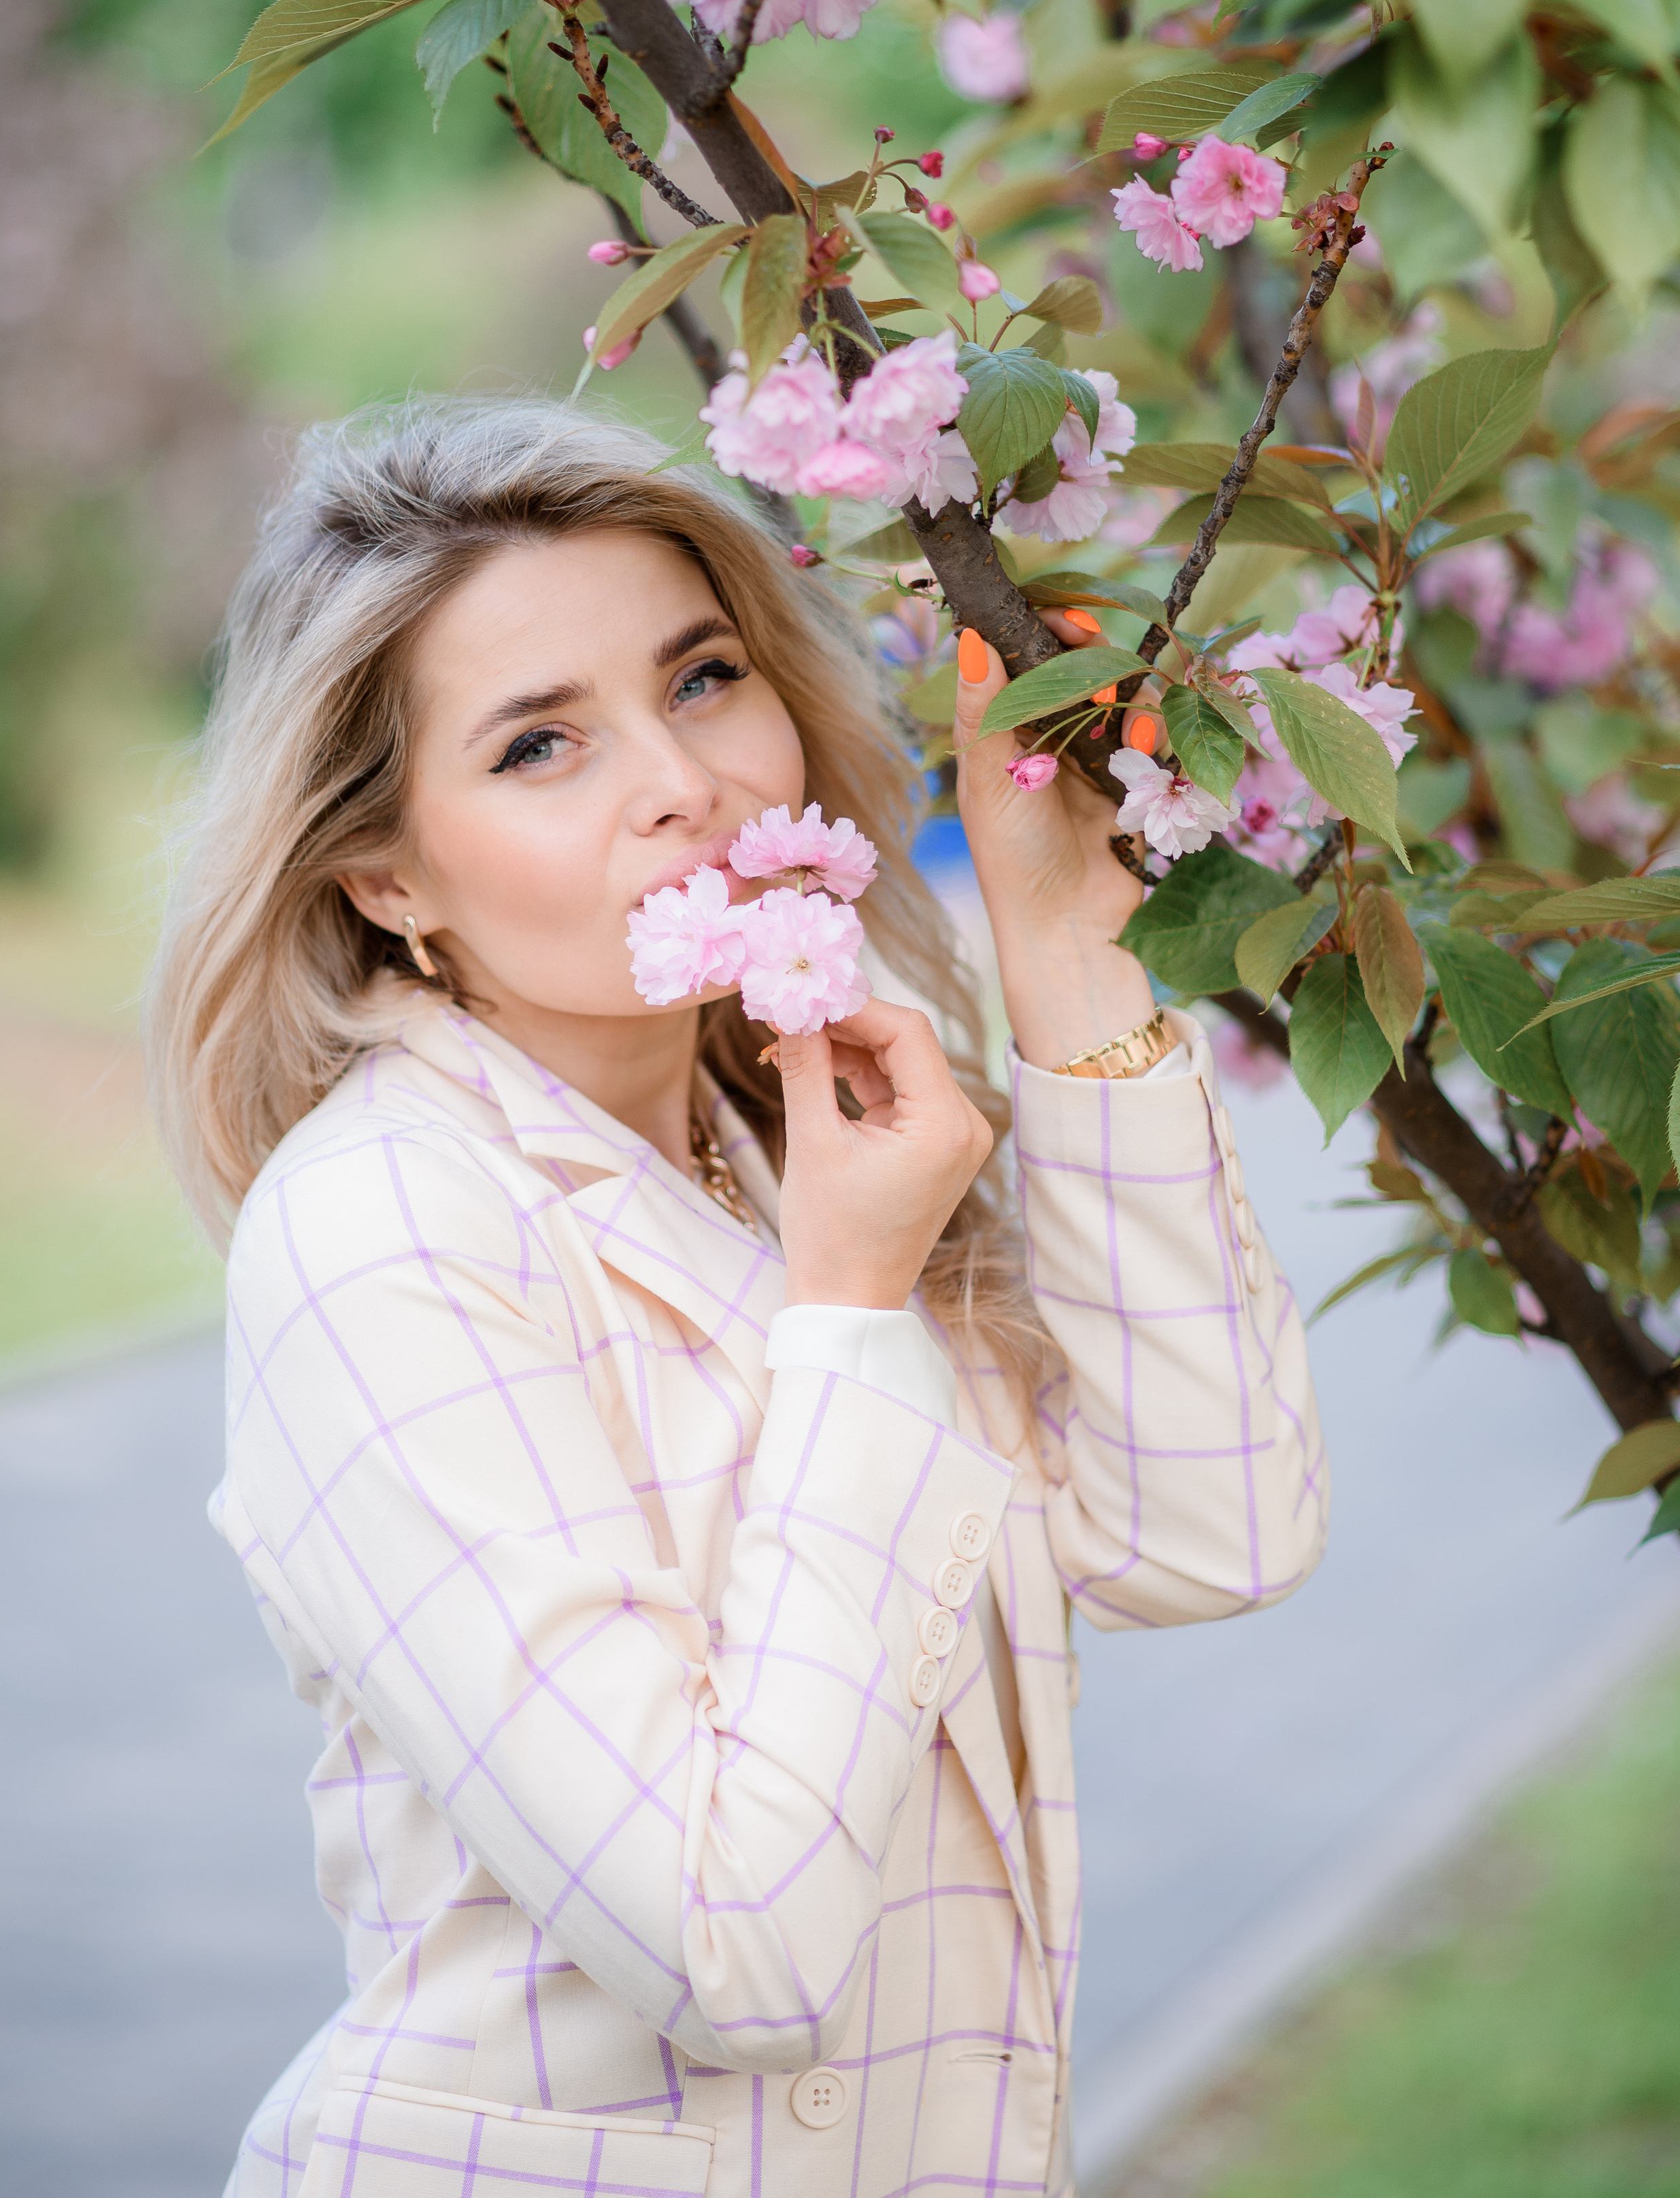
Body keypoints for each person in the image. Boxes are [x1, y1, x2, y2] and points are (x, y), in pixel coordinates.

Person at [150, 399, 1326, 2198]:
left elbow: (1214, 1526)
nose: (684, 780)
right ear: (387, 878)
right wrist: (849, 1317)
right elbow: (734, 1940)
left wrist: (1070, 956)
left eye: (703, 678)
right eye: (542, 742)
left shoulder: (796, 1130)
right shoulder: (381, 1235)